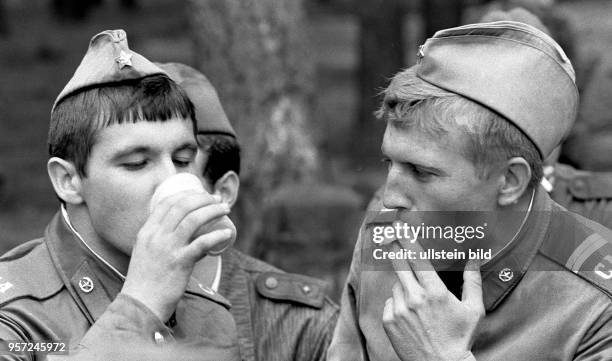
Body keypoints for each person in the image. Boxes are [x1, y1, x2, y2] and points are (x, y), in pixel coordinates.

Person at [328, 21, 612, 361]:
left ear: (510, 182)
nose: (389, 198)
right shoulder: (385, 238)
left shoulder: (595, 305)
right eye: (390, 163)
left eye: (421, 171)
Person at [0, 30, 241, 360]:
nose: (170, 181)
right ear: (68, 180)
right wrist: (141, 304)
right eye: (137, 163)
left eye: (183, 160)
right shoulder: (16, 315)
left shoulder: (209, 312)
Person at [156, 62, 340, 361]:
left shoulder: (301, 326)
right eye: (135, 162)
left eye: (180, 161)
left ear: (223, 192)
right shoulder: (65, 307)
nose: (154, 183)